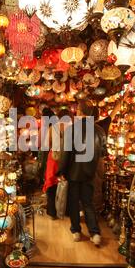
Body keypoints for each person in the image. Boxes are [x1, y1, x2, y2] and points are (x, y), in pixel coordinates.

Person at [57, 101, 106, 246]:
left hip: (73, 172)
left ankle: (76, 231)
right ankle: (95, 233)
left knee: (73, 202)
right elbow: (103, 152)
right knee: (88, 202)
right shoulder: (99, 130)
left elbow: (65, 153)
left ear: (79, 111)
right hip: (90, 172)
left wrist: (61, 171)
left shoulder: (71, 130)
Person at [42, 109, 72, 220]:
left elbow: (46, 144)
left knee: (51, 184)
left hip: (54, 159)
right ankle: (66, 211)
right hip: (67, 159)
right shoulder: (72, 129)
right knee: (66, 185)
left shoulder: (53, 128)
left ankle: (52, 212)